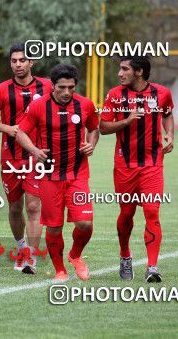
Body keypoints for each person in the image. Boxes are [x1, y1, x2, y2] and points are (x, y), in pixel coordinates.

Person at [15, 64, 99, 282]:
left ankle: (75, 256)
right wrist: (34, 150)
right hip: (49, 175)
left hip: (77, 173)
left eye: (71, 87)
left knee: (85, 224)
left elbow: (94, 128)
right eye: (62, 87)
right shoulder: (38, 106)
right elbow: (20, 132)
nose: (67, 92)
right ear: (52, 86)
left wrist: (91, 144)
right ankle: (60, 269)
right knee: (54, 227)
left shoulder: (86, 105)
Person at [99, 56, 174, 282]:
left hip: (152, 164)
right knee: (127, 213)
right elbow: (102, 127)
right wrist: (127, 120)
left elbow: (168, 114)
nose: (120, 73)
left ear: (139, 72)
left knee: (152, 211)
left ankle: (152, 267)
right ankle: (125, 256)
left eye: (125, 69)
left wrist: (169, 134)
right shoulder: (115, 95)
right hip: (125, 166)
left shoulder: (161, 93)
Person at [0, 43, 52, 274]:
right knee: (14, 208)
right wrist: (7, 128)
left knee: (33, 206)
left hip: (37, 156)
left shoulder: (47, 86)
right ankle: (21, 246)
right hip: (10, 158)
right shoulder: (2, 89)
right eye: (14, 61)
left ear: (31, 62)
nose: (18, 64)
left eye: (22, 60)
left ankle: (31, 256)